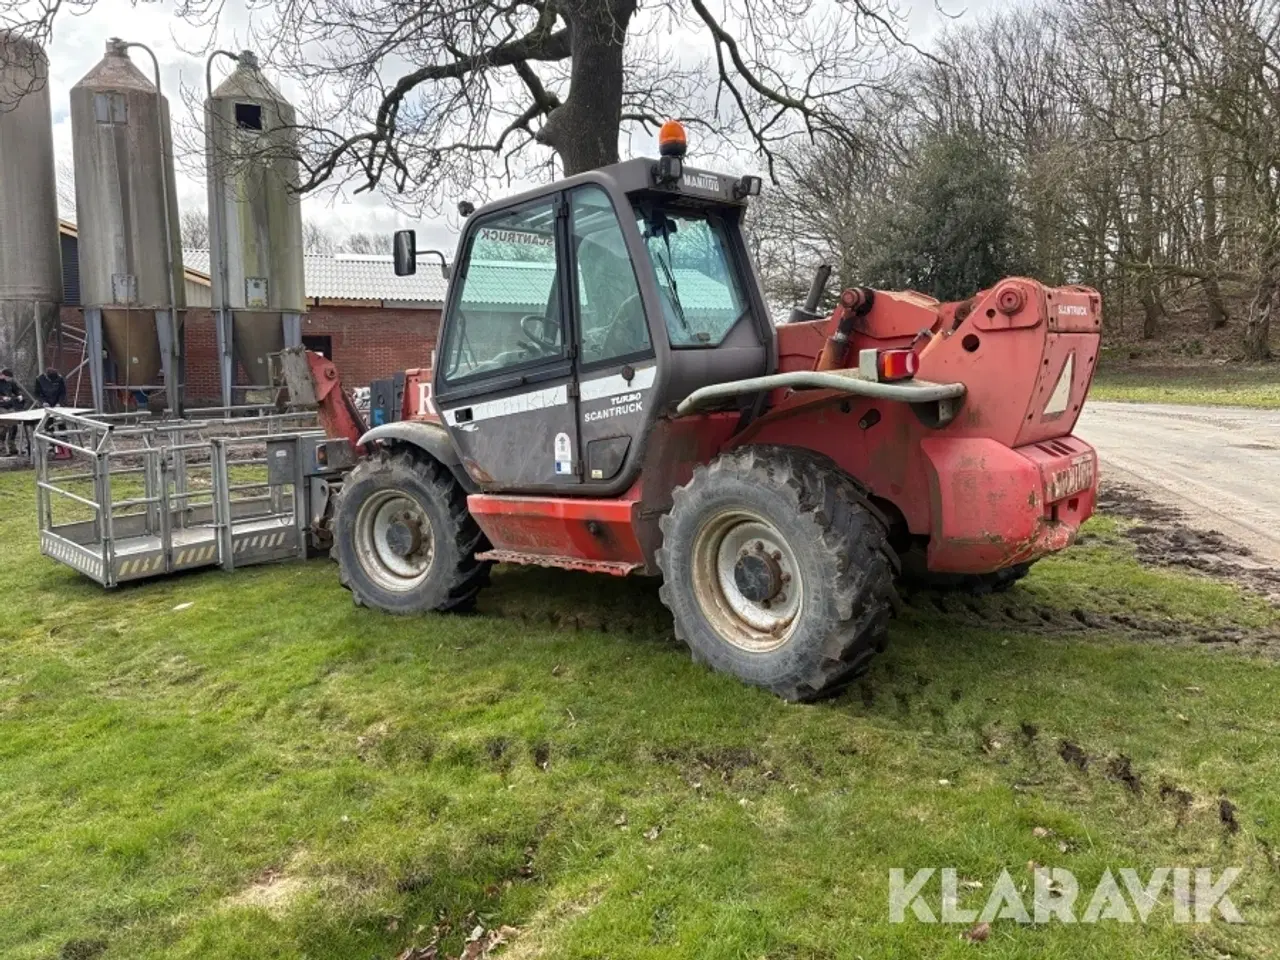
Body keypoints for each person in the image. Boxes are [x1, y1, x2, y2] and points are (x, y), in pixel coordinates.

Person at [0, 368, 24, 456]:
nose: (9, 380)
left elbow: (16, 390)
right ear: (3, 375)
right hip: (1, 406)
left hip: (9, 405)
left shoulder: (10, 382)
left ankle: (12, 447)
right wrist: (2, 398)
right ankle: (1, 448)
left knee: (14, 425)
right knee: (4, 425)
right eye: (8, 378)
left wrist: (19, 395)